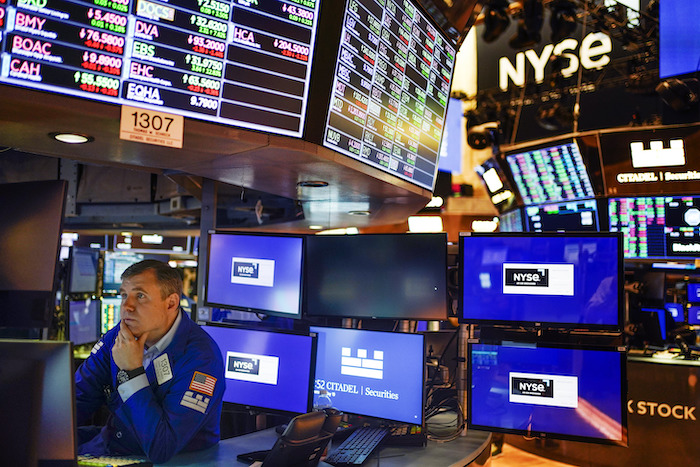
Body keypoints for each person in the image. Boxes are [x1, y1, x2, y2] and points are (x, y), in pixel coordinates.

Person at [75, 260, 225, 463]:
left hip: (161, 461)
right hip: (111, 446)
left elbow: (162, 447)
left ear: (171, 303)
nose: (126, 306)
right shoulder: (119, 336)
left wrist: (132, 373)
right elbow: (77, 399)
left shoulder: (201, 358)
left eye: (140, 296)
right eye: (124, 295)